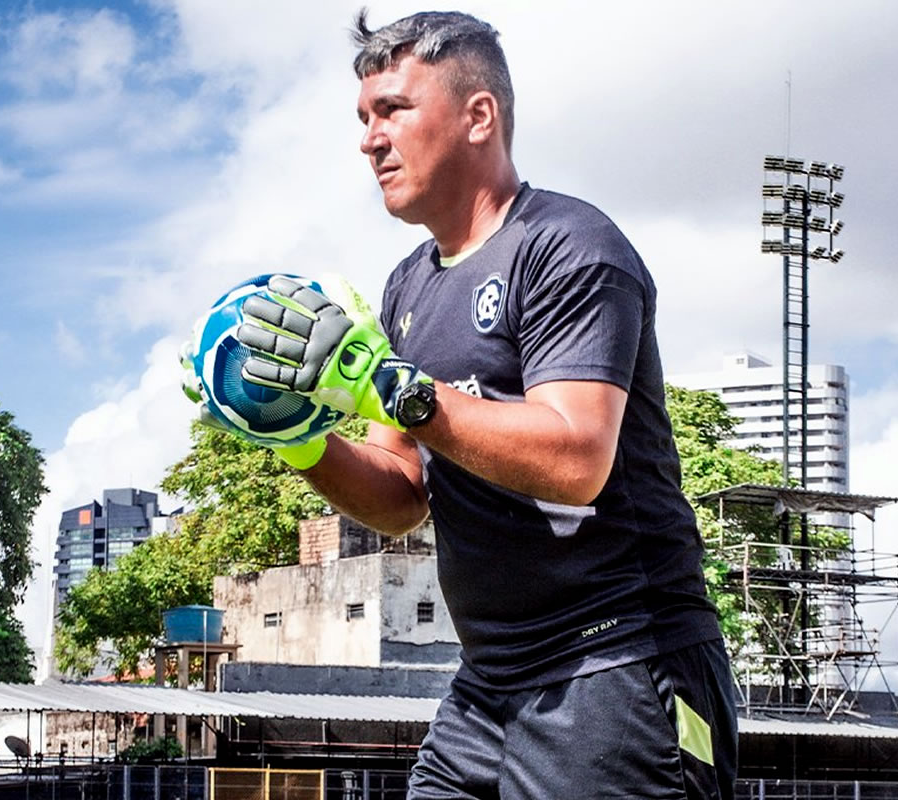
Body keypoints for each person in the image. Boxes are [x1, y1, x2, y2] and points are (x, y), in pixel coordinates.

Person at [229, 10, 738, 799]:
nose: (370, 140)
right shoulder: (408, 286)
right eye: (363, 119)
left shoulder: (569, 243)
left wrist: (389, 384)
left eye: (393, 109)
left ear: (478, 116)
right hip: (489, 682)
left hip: (621, 665)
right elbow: (401, 495)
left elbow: (576, 458)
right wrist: (296, 437)